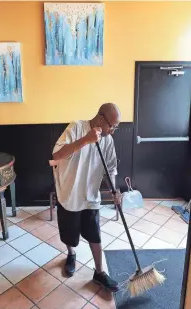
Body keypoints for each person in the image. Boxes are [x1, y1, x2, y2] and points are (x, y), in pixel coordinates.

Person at [52, 103, 122, 292]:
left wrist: (115, 190)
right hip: (69, 193)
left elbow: (111, 169)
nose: (113, 131)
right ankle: (71, 253)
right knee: (70, 234)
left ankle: (99, 272)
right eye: (112, 126)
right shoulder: (76, 128)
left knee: (94, 233)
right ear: (100, 119)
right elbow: (56, 155)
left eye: (116, 127)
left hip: (90, 195)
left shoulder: (107, 140)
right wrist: (85, 140)